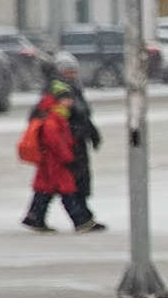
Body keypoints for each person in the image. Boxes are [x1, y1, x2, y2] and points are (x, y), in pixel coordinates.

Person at [17, 70, 106, 233]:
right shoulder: (54, 119)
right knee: (68, 192)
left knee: (45, 191)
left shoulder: (55, 116)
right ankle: (81, 220)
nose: (70, 102)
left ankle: (35, 216)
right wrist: (68, 156)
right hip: (57, 163)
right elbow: (57, 142)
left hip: (50, 163)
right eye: (66, 99)